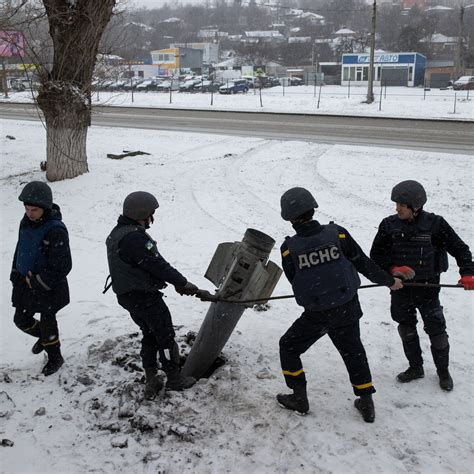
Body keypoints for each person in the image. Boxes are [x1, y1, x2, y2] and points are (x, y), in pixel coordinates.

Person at [277, 187, 402, 422]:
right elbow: (364, 264)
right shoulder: (339, 234)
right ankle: (366, 402)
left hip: (316, 315)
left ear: (290, 219)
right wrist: (389, 282)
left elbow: (295, 279)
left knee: (289, 347)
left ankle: (299, 398)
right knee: (354, 352)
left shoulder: (288, 250)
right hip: (347, 307)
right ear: (313, 209)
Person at [370, 180, 474, 391]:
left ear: (415, 207)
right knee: (406, 329)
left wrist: (468, 272)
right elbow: (376, 256)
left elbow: (460, 248)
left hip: (428, 289)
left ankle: (443, 371)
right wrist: (392, 269)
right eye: (396, 204)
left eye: (401, 205)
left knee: (437, 331)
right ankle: (415, 367)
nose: (397, 208)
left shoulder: (436, 225)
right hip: (400, 289)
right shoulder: (388, 225)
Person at [106, 191, 201, 399]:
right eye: (151, 213)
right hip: (144, 297)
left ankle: (151, 378)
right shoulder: (134, 237)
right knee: (165, 337)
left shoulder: (118, 232)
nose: (152, 218)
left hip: (127, 297)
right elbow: (157, 265)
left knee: (149, 334)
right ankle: (175, 378)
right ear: (142, 213)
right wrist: (182, 283)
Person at [10, 181, 72, 376]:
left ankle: (55, 357)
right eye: (27, 209)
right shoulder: (25, 222)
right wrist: (15, 271)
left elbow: (63, 265)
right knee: (21, 319)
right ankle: (45, 338)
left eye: (34, 210)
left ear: (44, 208)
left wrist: (38, 281)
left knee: (48, 321)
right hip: (24, 282)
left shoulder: (55, 230)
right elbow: (20, 248)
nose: (29, 213)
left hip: (48, 287)